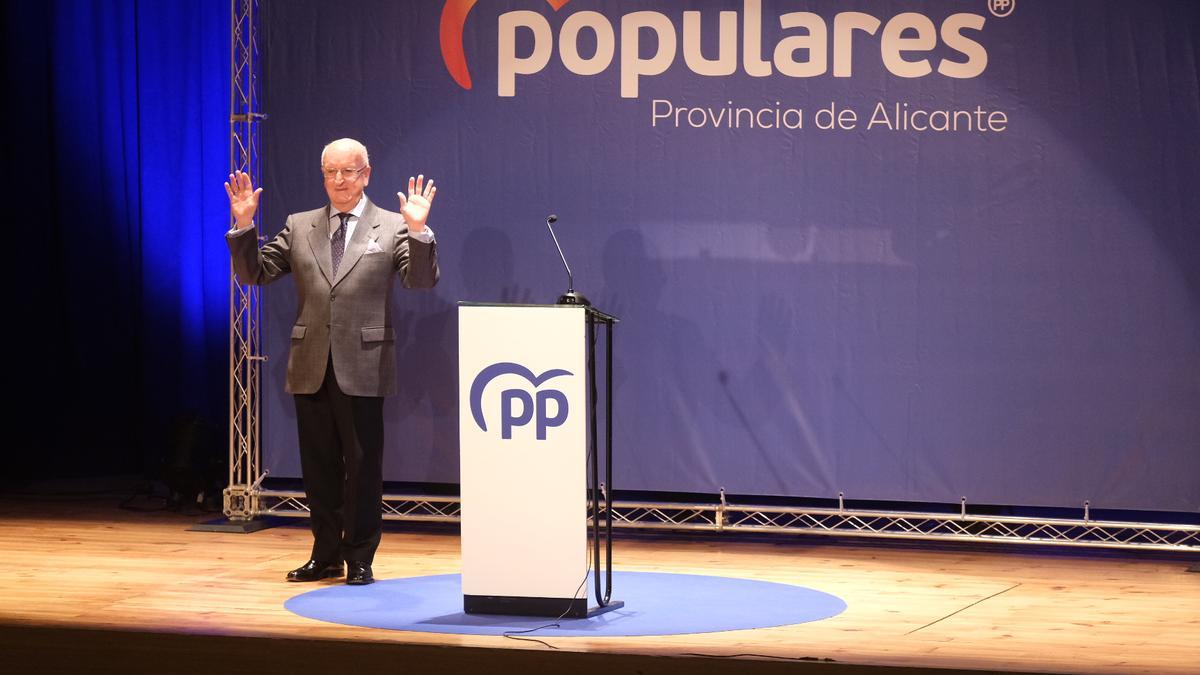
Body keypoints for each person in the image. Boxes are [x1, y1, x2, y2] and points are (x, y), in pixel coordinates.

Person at [223, 138, 440, 585]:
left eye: (349, 172)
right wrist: (243, 226)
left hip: (364, 362)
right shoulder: (300, 225)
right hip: (311, 362)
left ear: (367, 174)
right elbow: (254, 273)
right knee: (318, 468)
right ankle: (325, 555)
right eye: (331, 173)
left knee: (362, 465)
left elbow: (419, 281)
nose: (339, 181)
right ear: (323, 176)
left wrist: (418, 232)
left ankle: (359, 555)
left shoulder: (392, 224)